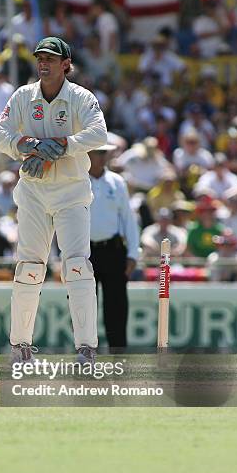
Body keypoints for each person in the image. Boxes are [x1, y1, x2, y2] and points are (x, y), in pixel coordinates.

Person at [0, 36, 107, 363]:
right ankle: (20, 347)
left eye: (51, 59)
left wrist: (63, 144)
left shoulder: (81, 98)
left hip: (71, 192)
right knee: (29, 266)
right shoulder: (24, 96)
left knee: (76, 267)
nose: (43, 64)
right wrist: (27, 143)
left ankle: (86, 348)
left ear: (66, 65)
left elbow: (99, 134)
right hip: (33, 190)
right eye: (40, 58)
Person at [88, 143, 139, 349]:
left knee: (116, 308)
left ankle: (119, 358)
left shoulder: (117, 182)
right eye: (97, 152)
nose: (102, 157)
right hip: (85, 252)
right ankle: (86, 355)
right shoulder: (77, 181)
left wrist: (133, 254)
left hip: (113, 250)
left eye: (104, 153)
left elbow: (128, 219)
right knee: (84, 307)